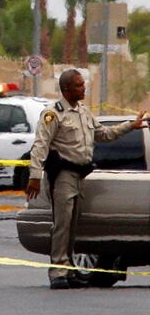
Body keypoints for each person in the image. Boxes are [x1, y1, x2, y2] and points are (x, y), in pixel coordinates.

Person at [26, 68, 146, 289]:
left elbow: (103, 134)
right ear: (66, 89)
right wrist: (34, 176)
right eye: (79, 85)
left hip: (80, 175)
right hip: (62, 175)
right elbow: (40, 145)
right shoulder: (53, 113)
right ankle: (58, 272)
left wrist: (131, 126)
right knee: (62, 224)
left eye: (83, 84)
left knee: (72, 226)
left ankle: (70, 270)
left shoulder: (83, 112)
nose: (84, 88)